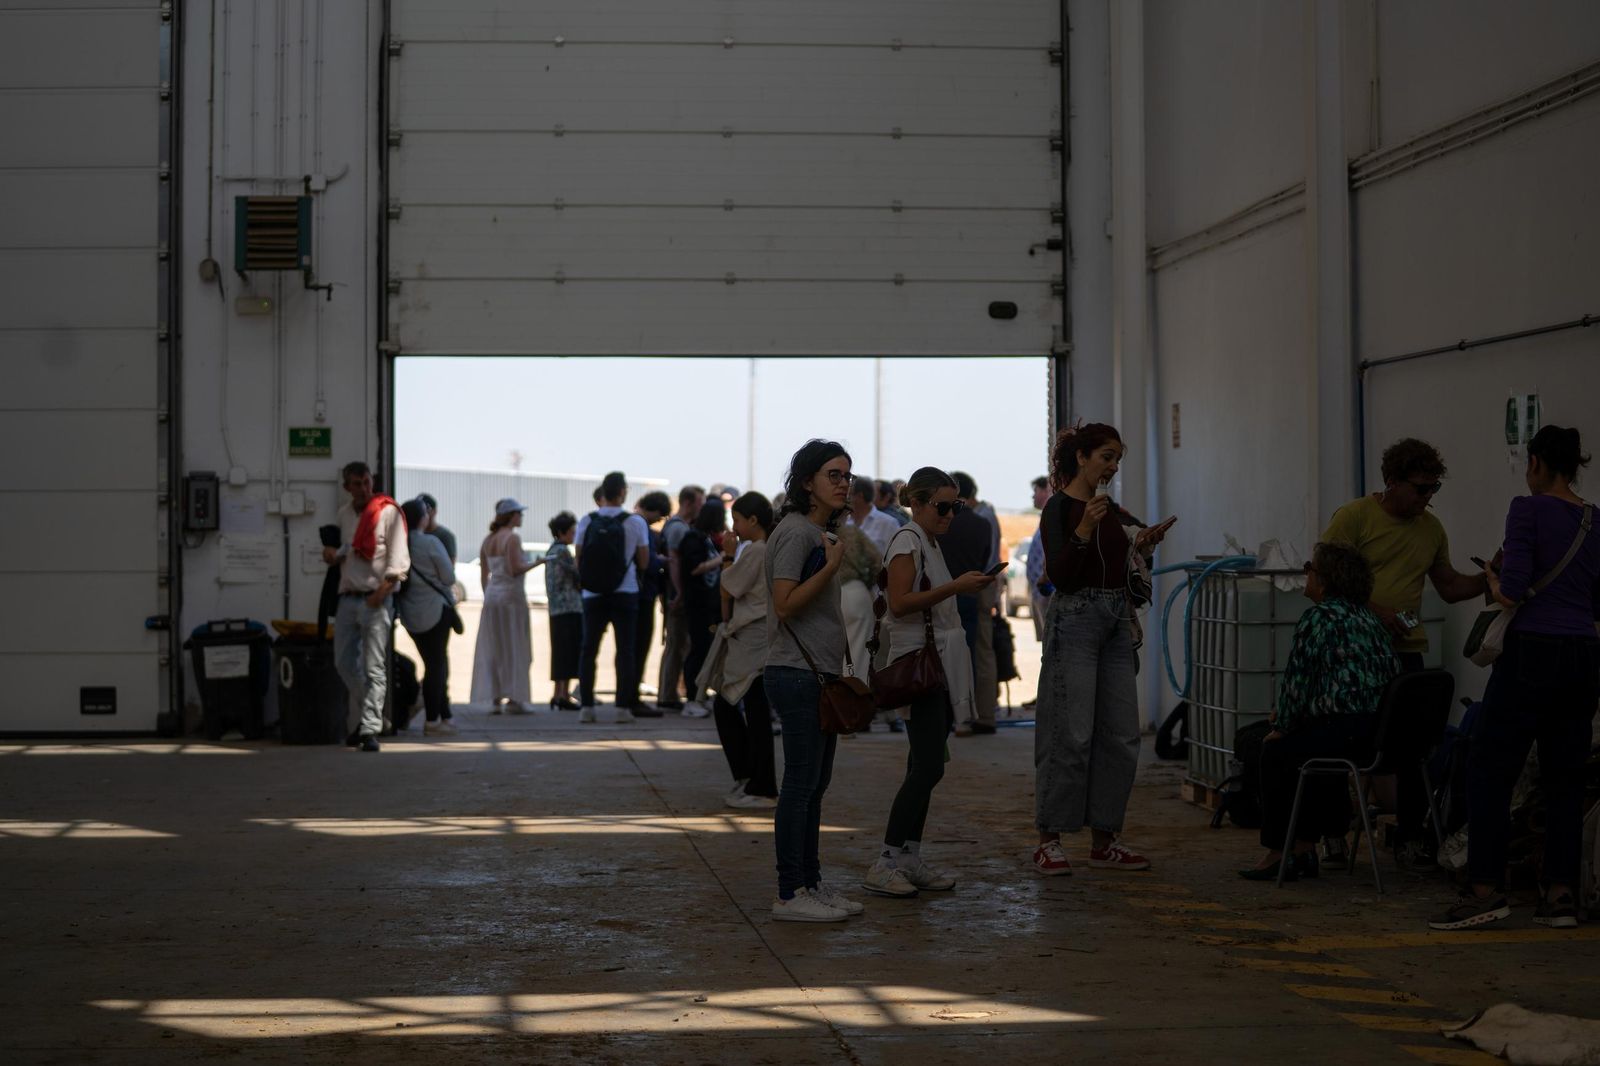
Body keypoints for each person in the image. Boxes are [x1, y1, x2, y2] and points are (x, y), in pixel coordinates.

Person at [1431, 426, 1600, 931]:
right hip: (1584, 654)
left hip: (1531, 653)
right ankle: (1560, 896)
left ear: (1536, 463)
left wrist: (1494, 577)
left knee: (1489, 767)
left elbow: (1513, 590)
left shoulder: (1527, 509)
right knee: (1565, 776)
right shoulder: (1595, 520)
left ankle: (1484, 889)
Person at [1323, 437, 1488, 867]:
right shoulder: (1355, 518)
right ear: (1392, 482)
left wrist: (1489, 579)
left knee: (1415, 745)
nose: (1427, 497)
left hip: (1404, 652)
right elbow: (1322, 582)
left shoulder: (1430, 529)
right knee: (1342, 737)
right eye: (1420, 488)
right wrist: (1376, 611)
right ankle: (1332, 831)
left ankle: (1411, 835)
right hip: (1353, 652)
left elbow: (1449, 586)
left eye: (1434, 488)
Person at [1033, 423, 1174, 875]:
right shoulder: (1060, 507)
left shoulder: (1112, 510)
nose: (1112, 467)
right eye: (1106, 457)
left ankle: (1105, 838)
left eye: (1117, 460)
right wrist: (1083, 529)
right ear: (1082, 457)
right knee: (1069, 731)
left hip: (1114, 621)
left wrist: (1143, 544)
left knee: (1121, 734)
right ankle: (1050, 839)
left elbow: (1118, 558)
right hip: (1075, 618)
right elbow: (1060, 574)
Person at [862, 467, 995, 899]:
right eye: (942, 506)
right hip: (919, 664)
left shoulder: (927, 540)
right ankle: (886, 861)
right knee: (928, 766)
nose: (950, 514)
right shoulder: (908, 540)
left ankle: (907, 856)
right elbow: (900, 604)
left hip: (933, 663)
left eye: (955, 506)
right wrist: (956, 586)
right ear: (916, 504)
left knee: (923, 764)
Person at [1238, 543, 1398, 881]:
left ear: (1324, 580)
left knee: (1271, 749)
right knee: (1305, 746)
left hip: (1343, 732)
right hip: (1377, 734)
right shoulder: (1370, 619)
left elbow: (1297, 683)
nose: (1305, 573)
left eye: (1309, 567)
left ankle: (1280, 851)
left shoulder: (1320, 618)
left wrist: (1282, 724)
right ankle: (1307, 846)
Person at [764, 439, 864, 922]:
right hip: (796, 672)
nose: (844, 484)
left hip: (816, 674)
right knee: (800, 786)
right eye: (833, 475)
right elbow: (785, 604)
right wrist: (831, 568)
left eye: (847, 475)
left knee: (814, 786)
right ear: (807, 482)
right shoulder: (796, 533)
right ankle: (790, 892)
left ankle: (811, 883)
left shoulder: (816, 532)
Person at [325, 462, 410, 752]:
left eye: (366, 482)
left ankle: (370, 729)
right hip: (348, 598)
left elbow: (399, 563)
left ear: (372, 482)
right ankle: (372, 717)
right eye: (356, 484)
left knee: (374, 667)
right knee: (343, 663)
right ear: (346, 487)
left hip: (376, 598)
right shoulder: (344, 515)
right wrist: (333, 555)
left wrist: (381, 593)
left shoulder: (388, 513)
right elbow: (350, 550)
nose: (362, 489)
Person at [709, 492, 780, 809]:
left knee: (739, 708)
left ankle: (760, 783)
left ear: (753, 520)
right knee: (750, 709)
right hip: (755, 638)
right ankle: (753, 778)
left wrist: (727, 556)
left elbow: (727, 588)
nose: (734, 527)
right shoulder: (761, 549)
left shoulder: (756, 550)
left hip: (753, 640)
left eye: (737, 520)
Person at [575, 471, 651, 721]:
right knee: (625, 650)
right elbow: (644, 561)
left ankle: (587, 707)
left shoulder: (587, 520)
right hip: (624, 592)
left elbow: (579, 558)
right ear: (621, 492)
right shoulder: (635, 522)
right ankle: (622, 708)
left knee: (588, 649)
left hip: (592, 592)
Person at [939, 471, 999, 736]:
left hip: (941, 595)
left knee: (943, 657)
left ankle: (947, 715)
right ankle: (968, 716)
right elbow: (987, 559)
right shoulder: (982, 524)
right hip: (972, 594)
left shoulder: (940, 522)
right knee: (971, 655)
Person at [398, 498, 459, 736]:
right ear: (422, 518)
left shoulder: (398, 545)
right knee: (437, 666)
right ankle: (433, 720)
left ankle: (446, 716)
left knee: (434, 664)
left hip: (410, 615)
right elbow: (449, 577)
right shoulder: (430, 542)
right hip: (435, 612)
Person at [470, 498, 537, 712]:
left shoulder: (488, 540)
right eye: (519, 513)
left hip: (493, 597)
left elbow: (484, 575)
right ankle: (515, 698)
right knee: (515, 645)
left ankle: (495, 697)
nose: (522, 517)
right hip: (511, 598)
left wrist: (489, 594)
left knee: (495, 647)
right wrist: (538, 563)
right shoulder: (512, 538)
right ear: (511, 516)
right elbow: (515, 569)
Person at [658, 484, 706, 710]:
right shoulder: (679, 529)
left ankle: (671, 693)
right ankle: (668, 695)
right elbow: (675, 561)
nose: (701, 507)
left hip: (673, 593)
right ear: (688, 503)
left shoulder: (675, 526)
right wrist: (679, 592)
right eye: (699, 502)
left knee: (678, 644)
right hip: (677, 595)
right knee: (676, 644)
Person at [679, 500, 728, 719]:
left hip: (708, 603)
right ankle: (691, 698)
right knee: (698, 650)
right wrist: (722, 558)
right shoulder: (693, 538)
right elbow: (694, 568)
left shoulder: (705, 538)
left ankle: (699, 695)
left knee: (706, 650)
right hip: (697, 602)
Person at [631, 491, 672, 717]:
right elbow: (645, 562)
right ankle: (632, 697)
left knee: (630, 648)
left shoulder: (629, 521)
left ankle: (627, 695)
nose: (659, 521)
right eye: (661, 516)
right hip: (643, 594)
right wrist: (662, 561)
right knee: (640, 647)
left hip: (630, 593)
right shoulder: (641, 526)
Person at [543, 511, 583, 711]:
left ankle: (557, 693)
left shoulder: (551, 551)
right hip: (570, 607)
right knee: (569, 652)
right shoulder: (564, 552)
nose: (574, 535)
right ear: (561, 532)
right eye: (572, 532)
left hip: (555, 608)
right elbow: (577, 575)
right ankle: (563, 694)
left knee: (559, 651)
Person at [1026, 475, 1053, 641]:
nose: (1033, 496)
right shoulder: (1044, 518)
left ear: (1044, 491)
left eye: (1035, 491)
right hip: (1041, 593)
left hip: (1047, 593)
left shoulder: (1050, 518)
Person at [846, 476, 899, 553]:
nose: (845, 498)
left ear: (860, 496)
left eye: (849, 495)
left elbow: (896, 555)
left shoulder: (888, 523)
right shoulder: (845, 522)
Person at [416, 493, 457, 563]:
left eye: (427, 511)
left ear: (435, 511)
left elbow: (450, 565)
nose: (423, 514)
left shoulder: (445, 536)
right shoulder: (413, 535)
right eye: (419, 511)